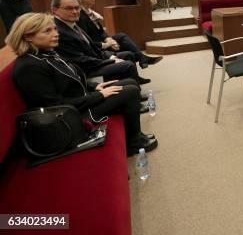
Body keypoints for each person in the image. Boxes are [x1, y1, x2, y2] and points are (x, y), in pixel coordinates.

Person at [7, 13, 158, 156]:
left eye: (54, 28)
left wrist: (94, 87)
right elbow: (54, 105)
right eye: (47, 31)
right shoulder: (29, 66)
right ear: (28, 36)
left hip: (79, 101)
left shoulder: (46, 53)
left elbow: (71, 78)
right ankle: (133, 143)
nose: (56, 33)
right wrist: (98, 95)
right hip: (68, 116)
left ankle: (133, 135)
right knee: (130, 91)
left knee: (129, 82)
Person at [51, 0, 150, 85]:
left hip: (91, 59)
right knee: (126, 64)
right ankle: (124, 90)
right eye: (69, 8)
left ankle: (122, 86)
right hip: (83, 67)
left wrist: (110, 56)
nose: (75, 12)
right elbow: (79, 60)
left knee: (127, 55)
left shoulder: (70, 23)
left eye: (77, 8)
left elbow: (92, 46)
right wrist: (109, 60)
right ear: (54, 10)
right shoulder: (59, 31)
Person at [66, 0, 163, 69]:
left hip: (101, 42)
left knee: (121, 36)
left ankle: (142, 59)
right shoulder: (79, 16)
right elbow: (87, 41)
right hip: (96, 48)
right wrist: (107, 44)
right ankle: (142, 59)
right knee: (125, 46)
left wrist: (109, 39)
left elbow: (100, 31)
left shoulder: (89, 12)